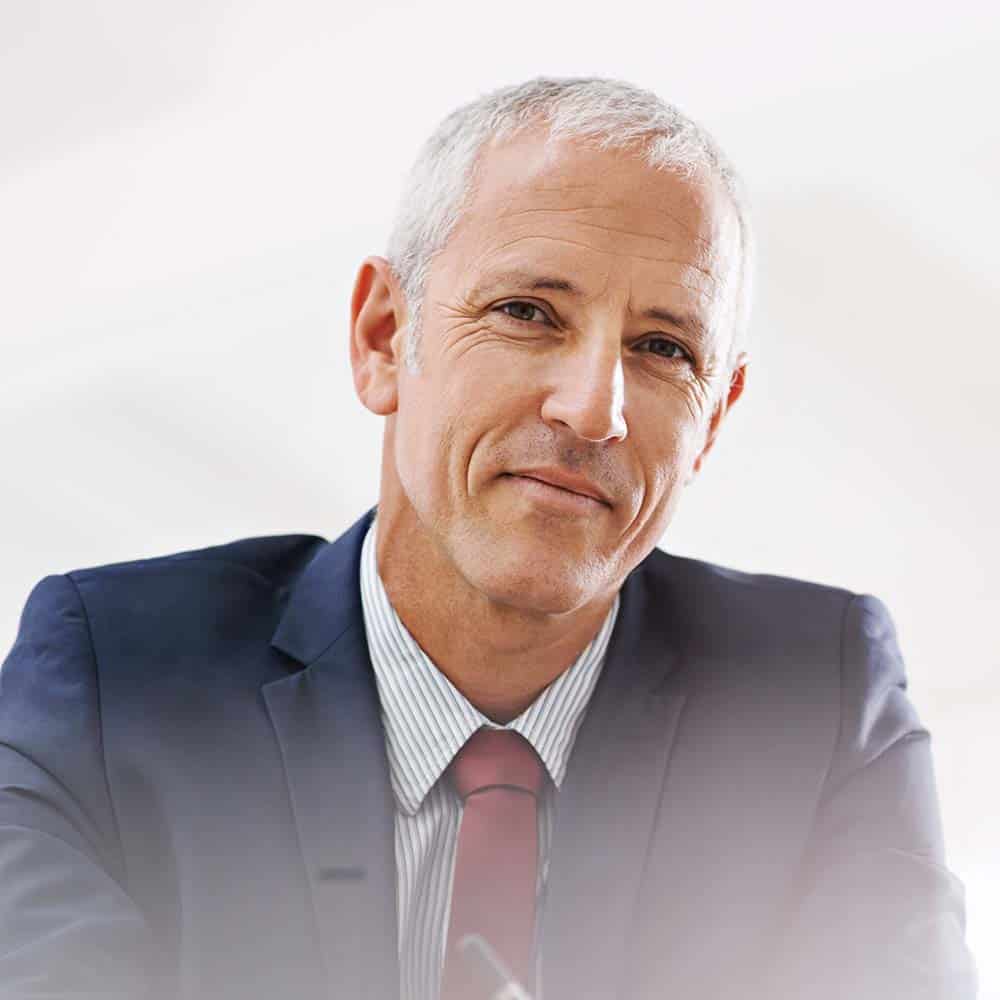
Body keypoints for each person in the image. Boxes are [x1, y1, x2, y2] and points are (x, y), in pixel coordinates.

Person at [0, 76, 976, 1000]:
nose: (595, 409)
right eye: (527, 312)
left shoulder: (816, 703)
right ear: (385, 338)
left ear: (713, 420)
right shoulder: (111, 679)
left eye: (663, 348)